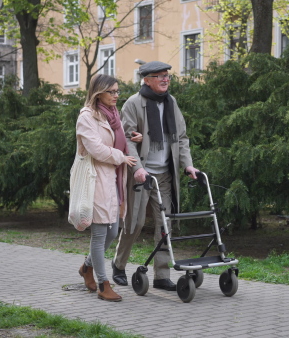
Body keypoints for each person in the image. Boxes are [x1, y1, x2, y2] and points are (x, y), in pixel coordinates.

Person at [112, 61, 199, 291]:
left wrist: (188, 165)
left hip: (164, 176)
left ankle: (162, 275)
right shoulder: (133, 103)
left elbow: (181, 138)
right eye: (160, 76)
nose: (165, 79)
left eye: (167, 76)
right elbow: (128, 140)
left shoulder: (171, 102)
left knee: (165, 225)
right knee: (135, 223)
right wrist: (137, 168)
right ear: (147, 80)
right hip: (142, 175)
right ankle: (119, 265)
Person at [76, 74, 141, 302]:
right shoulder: (87, 117)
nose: (116, 95)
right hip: (96, 178)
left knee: (113, 231)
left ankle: (86, 267)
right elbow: (96, 149)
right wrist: (122, 156)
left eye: (117, 91)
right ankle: (104, 284)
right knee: (100, 232)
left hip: (113, 178)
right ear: (98, 93)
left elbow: (116, 138)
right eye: (111, 92)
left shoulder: (113, 115)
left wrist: (133, 137)